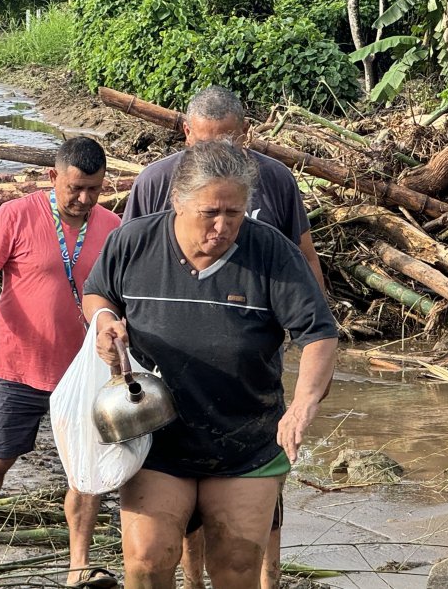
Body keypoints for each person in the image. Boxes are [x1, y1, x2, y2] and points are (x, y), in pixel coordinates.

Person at [83, 141, 338, 589]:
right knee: (145, 562)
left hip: (246, 437)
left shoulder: (271, 253)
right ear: (178, 201)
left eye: (235, 214)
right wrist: (105, 321)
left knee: (236, 567)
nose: (223, 227)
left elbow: (318, 334)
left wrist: (302, 405)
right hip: (155, 435)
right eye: (210, 212)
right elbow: (98, 292)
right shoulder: (133, 242)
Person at [0, 136, 121, 589]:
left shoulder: (113, 227)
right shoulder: (16, 215)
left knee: (86, 469)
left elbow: (123, 297)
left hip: (85, 372)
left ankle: (78, 565)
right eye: (75, 188)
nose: (84, 199)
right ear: (53, 177)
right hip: (18, 365)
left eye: (94, 189)